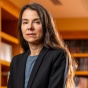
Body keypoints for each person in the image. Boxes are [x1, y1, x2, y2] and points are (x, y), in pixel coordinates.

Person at [8, 3, 76, 88]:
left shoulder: (58, 56)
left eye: (36, 22)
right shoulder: (16, 61)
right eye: (25, 22)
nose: (30, 27)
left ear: (46, 26)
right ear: (21, 27)